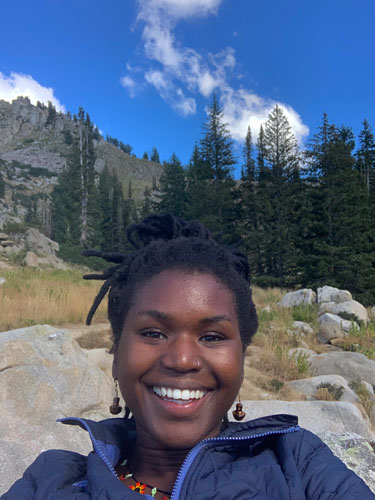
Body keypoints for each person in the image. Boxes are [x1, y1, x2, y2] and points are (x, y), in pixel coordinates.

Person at [3, 214, 374, 499]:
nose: (182, 359)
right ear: (116, 354)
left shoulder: (298, 461)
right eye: (153, 333)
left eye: (212, 336)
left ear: (241, 359)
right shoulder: (53, 479)